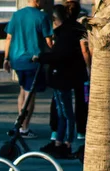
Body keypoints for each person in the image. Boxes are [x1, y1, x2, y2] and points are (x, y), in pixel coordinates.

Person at [37, 4, 86, 158]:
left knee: (66, 112)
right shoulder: (73, 30)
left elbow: (60, 55)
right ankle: (59, 141)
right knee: (62, 111)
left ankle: (66, 143)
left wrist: (41, 57)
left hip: (63, 77)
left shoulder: (65, 34)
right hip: (65, 77)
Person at [3, 0, 53, 139]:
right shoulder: (42, 17)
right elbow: (49, 41)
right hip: (33, 59)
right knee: (30, 93)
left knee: (22, 90)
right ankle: (24, 127)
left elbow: (8, 38)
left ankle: (19, 123)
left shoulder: (17, 15)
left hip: (17, 59)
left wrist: (6, 58)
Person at [49, 0, 90, 141]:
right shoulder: (80, 29)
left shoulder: (60, 30)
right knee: (82, 100)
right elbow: (85, 50)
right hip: (79, 71)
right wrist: (89, 68)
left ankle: (55, 131)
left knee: (58, 102)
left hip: (63, 71)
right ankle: (81, 130)